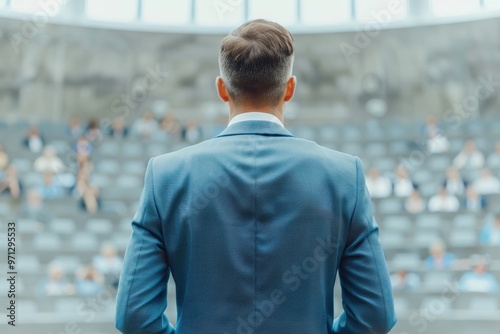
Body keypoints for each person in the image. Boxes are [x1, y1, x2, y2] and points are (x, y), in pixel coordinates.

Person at [116, 19, 396, 334]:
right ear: (290, 88)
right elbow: (375, 317)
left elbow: (134, 317)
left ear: (221, 88)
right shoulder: (345, 176)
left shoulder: (165, 175)